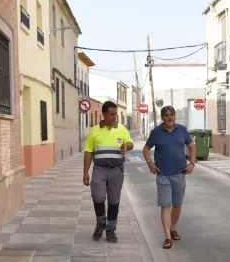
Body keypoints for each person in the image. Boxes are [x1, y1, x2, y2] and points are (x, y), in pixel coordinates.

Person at [142, 105, 196, 249]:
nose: (169, 117)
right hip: (162, 175)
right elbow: (146, 148)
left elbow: (191, 146)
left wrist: (192, 163)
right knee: (166, 206)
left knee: (177, 205)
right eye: (166, 115)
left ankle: (173, 228)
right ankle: (167, 237)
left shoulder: (182, 130)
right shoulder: (156, 132)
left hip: (180, 174)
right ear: (162, 117)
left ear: (174, 116)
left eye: (172, 114)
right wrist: (150, 163)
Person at [83, 101, 134, 243]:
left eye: (115, 114)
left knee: (114, 201)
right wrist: (85, 172)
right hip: (99, 169)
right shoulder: (94, 131)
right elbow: (88, 152)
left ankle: (111, 230)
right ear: (104, 114)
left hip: (116, 171)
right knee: (98, 197)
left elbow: (130, 143)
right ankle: (100, 223)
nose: (114, 117)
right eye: (111, 114)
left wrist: (126, 146)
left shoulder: (122, 129)